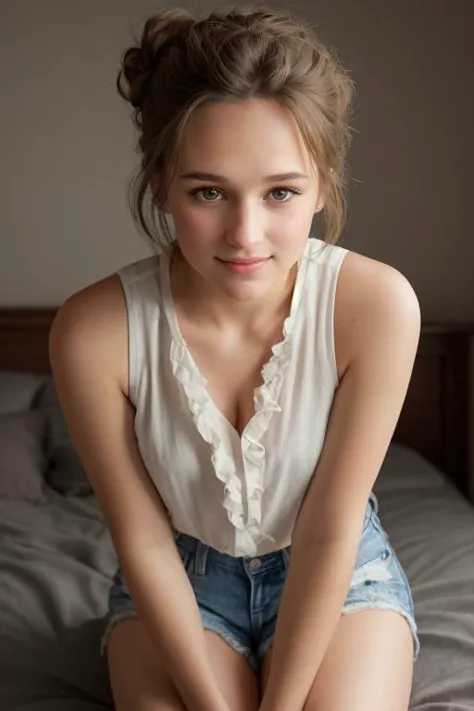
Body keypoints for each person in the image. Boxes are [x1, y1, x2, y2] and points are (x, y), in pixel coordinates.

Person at [49, 6, 421, 711]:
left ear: (323, 187)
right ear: (160, 185)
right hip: (177, 579)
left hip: (338, 571)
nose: (246, 234)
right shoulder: (93, 332)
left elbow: (330, 524)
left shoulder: (376, 307)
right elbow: (142, 538)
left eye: (281, 191)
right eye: (208, 192)